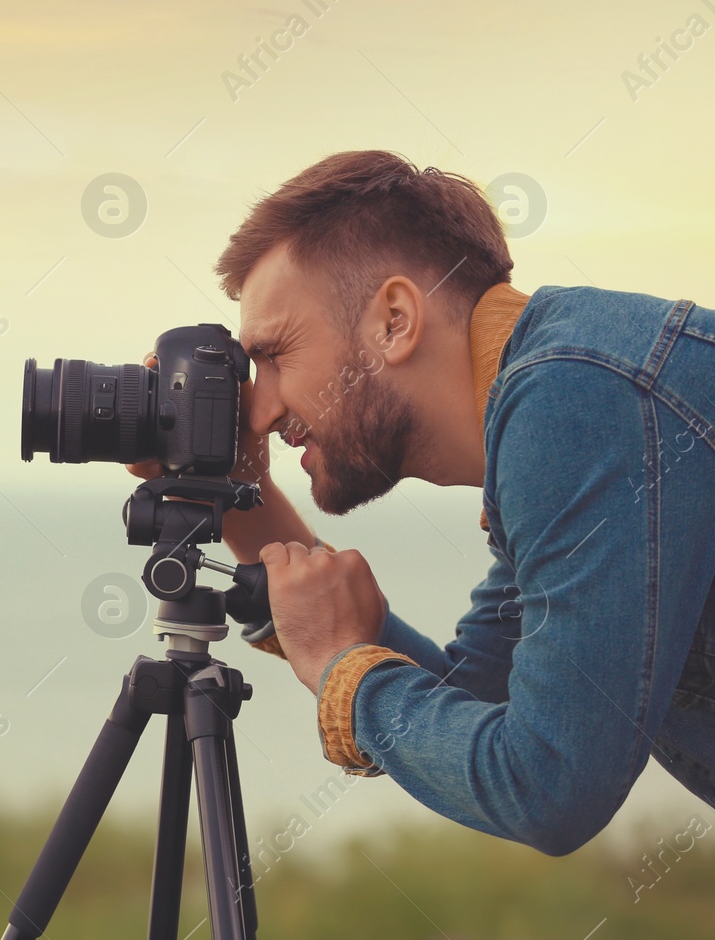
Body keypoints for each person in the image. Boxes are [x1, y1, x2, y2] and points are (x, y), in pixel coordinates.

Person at [132, 150, 715, 856]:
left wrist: (341, 660)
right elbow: (470, 701)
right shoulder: (554, 406)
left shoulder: (575, 401)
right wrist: (236, 498)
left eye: (277, 354)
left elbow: (548, 785)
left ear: (396, 319)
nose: (260, 409)